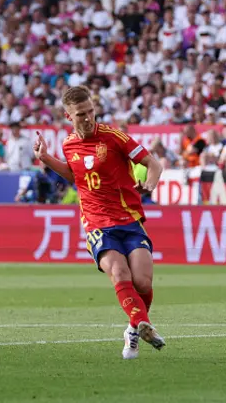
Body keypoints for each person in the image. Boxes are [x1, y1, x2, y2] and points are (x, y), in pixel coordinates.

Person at [33, 85, 165, 360]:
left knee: (142, 282)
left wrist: (150, 185)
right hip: (97, 223)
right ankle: (142, 324)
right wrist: (46, 158)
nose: (88, 117)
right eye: (81, 114)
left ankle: (133, 328)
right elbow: (75, 176)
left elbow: (154, 164)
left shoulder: (114, 137)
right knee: (120, 274)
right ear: (69, 116)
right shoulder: (69, 145)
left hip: (129, 219)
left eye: (91, 111)